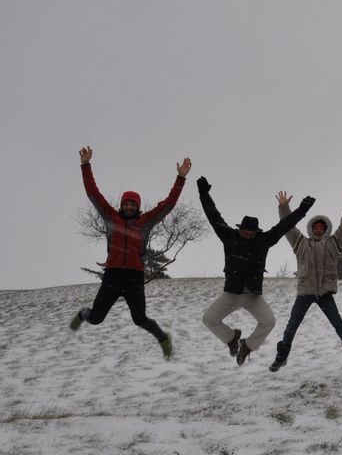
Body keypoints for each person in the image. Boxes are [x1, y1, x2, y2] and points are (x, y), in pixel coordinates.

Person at [69, 146, 190, 359]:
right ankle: (83, 314)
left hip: (134, 277)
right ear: (121, 205)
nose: (128, 206)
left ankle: (163, 339)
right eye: (125, 203)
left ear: (138, 206)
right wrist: (86, 165)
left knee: (140, 318)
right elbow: (93, 194)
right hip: (113, 275)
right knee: (96, 318)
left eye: (132, 204)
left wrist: (180, 178)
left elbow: (168, 205)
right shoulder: (110, 217)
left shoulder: (145, 222)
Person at [198, 176, 314, 365]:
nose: (247, 235)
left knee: (269, 322)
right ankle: (231, 338)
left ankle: (247, 346)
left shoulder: (263, 241)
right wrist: (204, 193)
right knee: (209, 319)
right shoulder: (229, 237)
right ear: (240, 229)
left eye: (251, 233)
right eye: (245, 232)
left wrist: (304, 209)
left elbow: (285, 225)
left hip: (253, 295)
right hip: (232, 293)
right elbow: (213, 216)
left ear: (257, 233)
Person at [268, 191, 342, 372]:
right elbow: (288, 226)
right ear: (311, 229)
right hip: (305, 292)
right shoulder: (300, 243)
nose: (318, 230)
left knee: (339, 325)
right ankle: (281, 358)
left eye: (321, 227)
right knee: (291, 327)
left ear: (325, 229)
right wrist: (283, 207)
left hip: (325, 293)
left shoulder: (334, 243)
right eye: (315, 227)